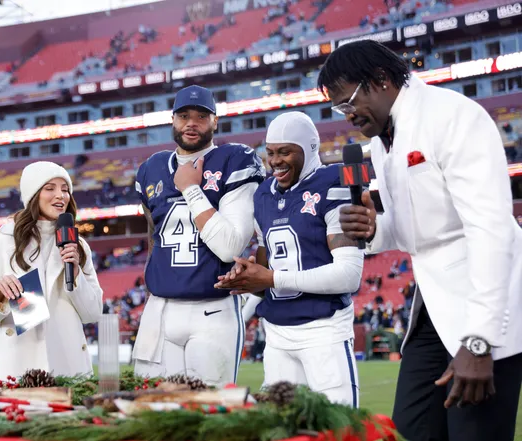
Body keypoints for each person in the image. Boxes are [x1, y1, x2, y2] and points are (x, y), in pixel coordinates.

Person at [318, 40, 522, 440]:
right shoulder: (381, 142)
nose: (347, 116)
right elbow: (417, 231)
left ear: (380, 80)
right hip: (432, 305)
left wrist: (480, 340)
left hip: (484, 305)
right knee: (411, 428)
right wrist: (375, 229)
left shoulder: (452, 116)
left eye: (348, 103)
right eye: (339, 109)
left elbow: (490, 228)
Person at [215, 111, 363, 407]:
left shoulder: (336, 182)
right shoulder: (263, 195)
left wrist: (271, 278)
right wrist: (247, 280)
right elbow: (266, 268)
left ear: (309, 149)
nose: (275, 161)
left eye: (285, 152)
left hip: (324, 329)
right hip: (278, 334)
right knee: (279, 428)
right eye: (270, 152)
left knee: (337, 426)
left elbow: (349, 275)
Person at [131, 85, 266, 386]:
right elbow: (153, 233)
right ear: (173, 120)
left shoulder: (235, 160)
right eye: (184, 115)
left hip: (212, 309)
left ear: (215, 121)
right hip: (160, 310)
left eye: (201, 116)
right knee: (153, 411)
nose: (191, 123)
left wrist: (191, 188)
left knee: (208, 411)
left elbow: (228, 247)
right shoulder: (151, 169)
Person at [0, 161, 103, 385]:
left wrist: (76, 273)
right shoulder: (6, 238)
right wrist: (0, 294)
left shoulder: (78, 245)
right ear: (33, 194)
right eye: (50, 188)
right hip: (16, 362)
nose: (60, 195)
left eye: (65, 189)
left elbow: (93, 313)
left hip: (68, 362)